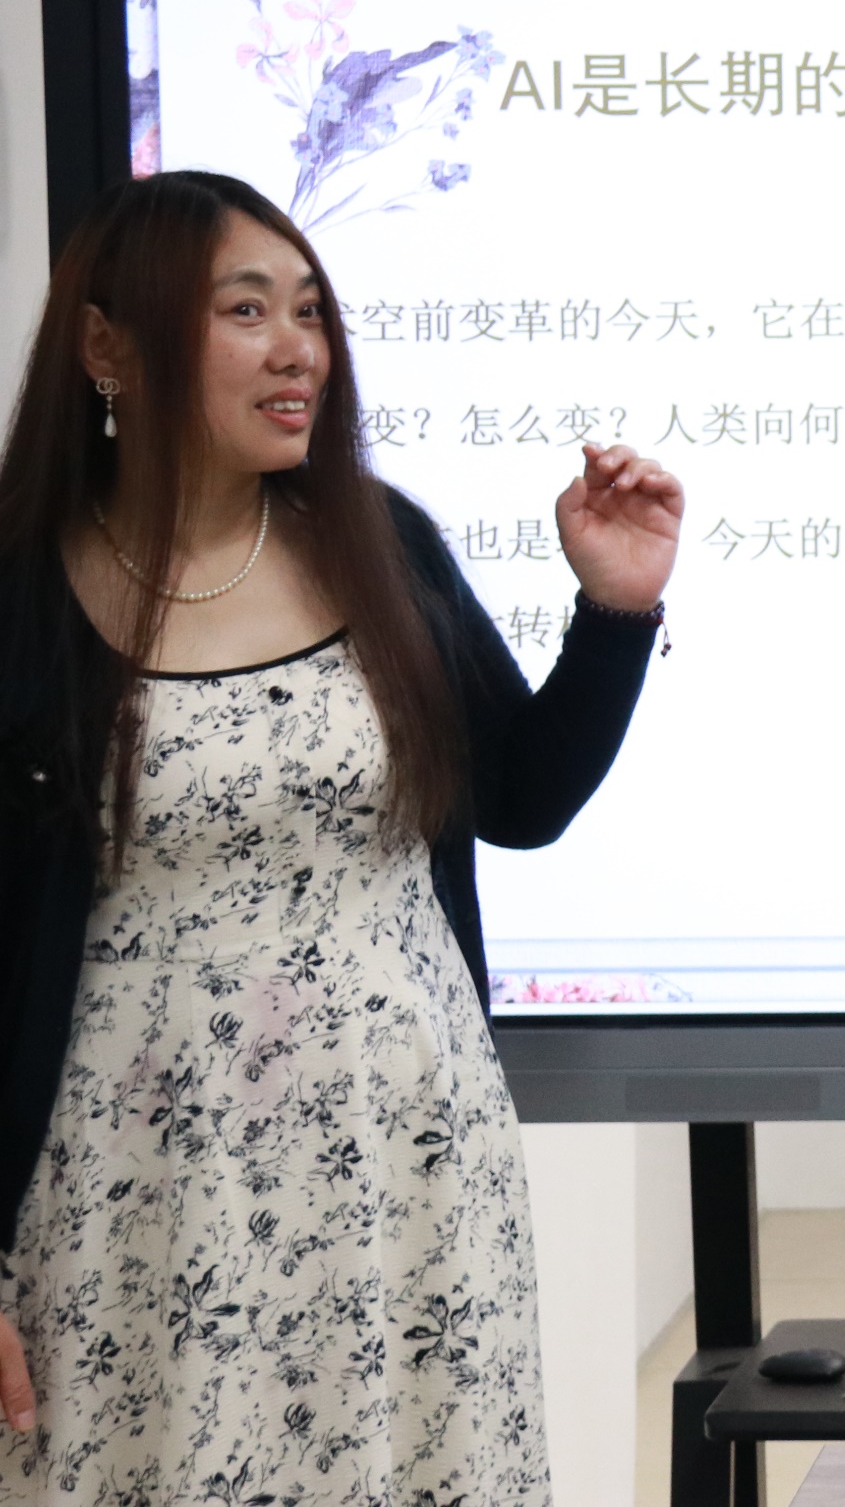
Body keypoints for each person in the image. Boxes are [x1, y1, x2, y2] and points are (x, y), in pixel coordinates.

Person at [0, 171, 682, 1505]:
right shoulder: (25, 598)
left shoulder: (379, 542)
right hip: (135, 1187)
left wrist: (615, 613)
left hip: (402, 1156)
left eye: (309, 310)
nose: (297, 347)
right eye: (245, 309)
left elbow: (521, 798)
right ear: (105, 347)